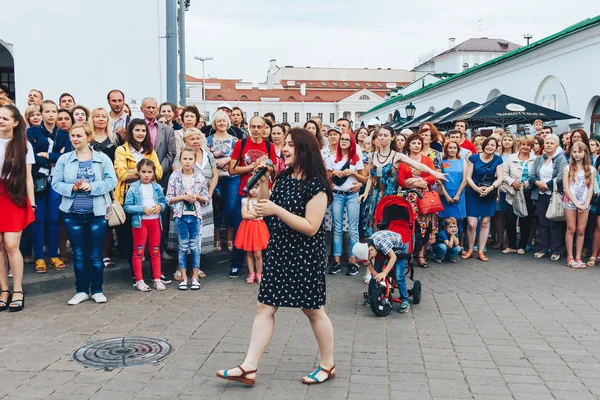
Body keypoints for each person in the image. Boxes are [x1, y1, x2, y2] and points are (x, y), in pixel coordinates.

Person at [216, 128, 336, 386]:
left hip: (305, 255)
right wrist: (260, 192)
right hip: (280, 251)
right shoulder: (284, 176)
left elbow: (311, 226)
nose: (284, 148)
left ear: (305, 149)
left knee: (313, 310)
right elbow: (268, 205)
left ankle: (328, 364)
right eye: (285, 144)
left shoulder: (318, 185)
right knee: (264, 307)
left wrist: (275, 209)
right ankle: (249, 367)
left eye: (291, 145)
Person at [52, 122, 117, 305]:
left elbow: (112, 180)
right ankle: (81, 290)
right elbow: (56, 183)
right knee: (79, 254)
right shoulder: (64, 159)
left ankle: (97, 290)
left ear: (88, 137)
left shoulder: (102, 158)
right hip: (72, 213)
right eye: (72, 135)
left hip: (97, 212)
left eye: (79, 136)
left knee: (96, 254)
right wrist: (71, 188)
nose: (75, 139)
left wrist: (93, 186)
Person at [228, 116, 278, 278]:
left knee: (266, 231)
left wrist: (267, 167)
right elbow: (233, 169)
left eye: (259, 127)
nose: (256, 130)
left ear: (264, 129)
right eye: (253, 126)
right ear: (249, 127)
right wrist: (253, 166)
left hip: (264, 194)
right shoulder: (240, 144)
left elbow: (275, 170)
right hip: (245, 193)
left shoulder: (269, 146)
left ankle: (265, 267)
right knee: (240, 229)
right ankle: (236, 265)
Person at [27, 100, 72, 273]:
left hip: (56, 181)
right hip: (39, 181)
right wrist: (55, 156)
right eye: (47, 111)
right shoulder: (32, 132)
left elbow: (67, 156)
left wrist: (46, 154)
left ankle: (53, 254)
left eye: (54, 111)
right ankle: (39, 257)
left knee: (54, 218)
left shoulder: (64, 134)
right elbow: (32, 157)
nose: (51, 115)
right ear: (41, 113)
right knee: (39, 219)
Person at [114, 119, 163, 276]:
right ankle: (136, 275)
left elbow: (159, 173)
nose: (140, 133)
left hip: (150, 200)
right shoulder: (121, 150)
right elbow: (121, 175)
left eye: (143, 130)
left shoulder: (150, 151)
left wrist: (134, 172)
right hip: (128, 198)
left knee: (152, 241)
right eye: (137, 130)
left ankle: (154, 273)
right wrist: (146, 172)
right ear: (131, 132)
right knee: (130, 240)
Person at [0, 105, 36, 312]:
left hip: (14, 195)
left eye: (5, 118)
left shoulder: (24, 145)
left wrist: (32, 202)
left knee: (11, 245)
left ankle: (18, 290)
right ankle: (4, 290)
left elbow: (28, 177)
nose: (1, 121)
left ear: (15, 122)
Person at [166, 147, 209, 291]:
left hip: (195, 216)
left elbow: (206, 199)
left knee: (195, 247)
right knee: (183, 247)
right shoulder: (175, 176)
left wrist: (197, 197)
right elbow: (168, 198)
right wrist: (183, 197)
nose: (187, 161)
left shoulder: (200, 176)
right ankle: (184, 277)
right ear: (180, 160)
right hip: (180, 216)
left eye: (190, 159)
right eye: (185, 159)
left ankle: (195, 277)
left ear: (195, 160)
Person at [172, 129, 218, 263]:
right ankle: (181, 267)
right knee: (185, 234)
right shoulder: (181, 155)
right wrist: (190, 195)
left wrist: (208, 195)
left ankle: (197, 265)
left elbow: (215, 175)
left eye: (198, 138)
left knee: (202, 231)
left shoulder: (208, 154)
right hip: (187, 201)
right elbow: (177, 175)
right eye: (192, 138)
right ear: (185, 141)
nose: (195, 141)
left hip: (205, 199)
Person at [123, 159, 168, 292]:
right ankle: (139, 280)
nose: (146, 175)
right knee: (138, 252)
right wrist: (142, 209)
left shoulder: (157, 187)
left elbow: (164, 203)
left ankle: (157, 278)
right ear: (138, 172)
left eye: (149, 172)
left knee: (155, 251)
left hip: (154, 222)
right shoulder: (134, 188)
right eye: (143, 172)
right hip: (140, 223)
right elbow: (127, 207)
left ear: (154, 173)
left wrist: (160, 206)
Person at [327, 131, 366, 276]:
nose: (343, 141)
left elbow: (364, 179)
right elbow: (327, 177)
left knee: (353, 228)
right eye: (342, 139)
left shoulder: (356, 159)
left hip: (352, 195)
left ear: (352, 143)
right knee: (337, 227)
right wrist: (333, 174)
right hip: (337, 194)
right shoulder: (332, 158)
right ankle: (336, 261)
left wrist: (353, 173)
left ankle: (353, 261)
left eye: (347, 140)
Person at [397, 133, 438, 268]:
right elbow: (401, 180)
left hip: (424, 197)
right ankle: (409, 254)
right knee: (410, 225)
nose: (416, 145)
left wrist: (421, 181)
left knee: (425, 226)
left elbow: (433, 176)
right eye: (414, 143)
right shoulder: (404, 161)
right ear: (408, 145)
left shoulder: (427, 160)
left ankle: (421, 255)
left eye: (419, 143)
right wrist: (415, 182)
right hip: (410, 197)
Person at [463, 137, 503, 262]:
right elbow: (468, 177)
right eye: (488, 144)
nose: (490, 147)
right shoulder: (473, 158)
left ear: (496, 148)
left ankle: (481, 251)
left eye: (493, 145)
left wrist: (491, 188)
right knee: (472, 224)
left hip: (488, 194)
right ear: (484, 145)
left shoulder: (498, 159)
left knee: (485, 223)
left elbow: (500, 178)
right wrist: (476, 189)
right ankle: (470, 249)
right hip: (473, 193)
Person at [352, 230, 411, 313]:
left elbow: (393, 257)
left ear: (371, 249)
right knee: (374, 277)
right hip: (382, 251)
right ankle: (372, 296)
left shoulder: (382, 243)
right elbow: (368, 264)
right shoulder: (367, 247)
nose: (371, 259)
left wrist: (384, 273)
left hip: (397, 253)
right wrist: (375, 274)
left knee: (399, 277)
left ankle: (405, 300)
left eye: (371, 257)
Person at [206, 110, 239, 252]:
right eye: (219, 121)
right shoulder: (208, 140)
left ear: (228, 123)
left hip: (231, 178)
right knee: (215, 209)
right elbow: (206, 157)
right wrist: (217, 162)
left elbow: (239, 158)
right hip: (215, 177)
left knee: (230, 208)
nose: (221, 123)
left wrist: (228, 159)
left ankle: (230, 239)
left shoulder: (234, 140)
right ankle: (217, 239)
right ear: (214, 123)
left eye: (224, 120)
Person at [530, 134, 567, 261]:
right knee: (543, 223)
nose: (549, 145)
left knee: (554, 222)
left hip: (553, 195)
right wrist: (538, 183)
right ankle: (543, 248)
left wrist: (547, 185)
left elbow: (562, 175)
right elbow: (532, 174)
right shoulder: (539, 159)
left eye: (552, 143)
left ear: (557, 145)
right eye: (547, 143)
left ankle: (556, 250)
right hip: (540, 195)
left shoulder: (561, 159)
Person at [503, 135, 537, 255]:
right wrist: (512, 182)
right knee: (510, 220)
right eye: (523, 144)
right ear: (519, 145)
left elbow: (535, 175)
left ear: (531, 147)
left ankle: (522, 245)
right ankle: (512, 245)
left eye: (528, 145)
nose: (525, 147)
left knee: (525, 221)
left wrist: (525, 184)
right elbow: (504, 173)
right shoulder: (511, 158)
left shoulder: (535, 159)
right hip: (512, 192)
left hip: (527, 193)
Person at [562, 142, 594, 268]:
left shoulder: (591, 169)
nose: (576, 154)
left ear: (585, 153)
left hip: (584, 203)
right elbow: (566, 188)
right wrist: (576, 203)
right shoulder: (567, 168)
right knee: (571, 229)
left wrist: (586, 203)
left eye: (579, 152)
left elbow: (590, 188)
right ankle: (570, 257)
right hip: (570, 202)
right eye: (574, 152)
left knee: (581, 230)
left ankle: (578, 256)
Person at [234, 182, 270, 284]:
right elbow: (244, 215)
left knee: (258, 254)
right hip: (248, 228)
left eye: (256, 187)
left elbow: (262, 213)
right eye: (251, 187)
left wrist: (251, 213)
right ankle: (251, 273)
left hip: (259, 228)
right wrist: (257, 214)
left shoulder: (262, 200)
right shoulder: (245, 200)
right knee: (249, 253)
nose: (254, 190)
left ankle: (259, 273)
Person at [140, 97, 176, 188]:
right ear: (141, 109)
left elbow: (171, 153)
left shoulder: (168, 130)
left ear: (157, 109)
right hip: (139, 177)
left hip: (161, 177)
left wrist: (157, 171)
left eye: (153, 108)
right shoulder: (136, 127)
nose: (151, 110)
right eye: (148, 107)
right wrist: (144, 172)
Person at [439, 140, 467, 248]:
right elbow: (439, 180)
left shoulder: (462, 161)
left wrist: (458, 194)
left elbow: (465, 180)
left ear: (458, 149)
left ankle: (460, 246)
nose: (452, 150)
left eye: (454, 148)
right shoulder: (442, 161)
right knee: (444, 220)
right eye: (450, 147)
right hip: (445, 193)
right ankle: (444, 244)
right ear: (446, 149)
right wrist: (445, 195)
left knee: (459, 220)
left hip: (459, 194)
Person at [494, 132, 518, 250]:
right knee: (499, 215)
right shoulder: (498, 156)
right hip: (500, 189)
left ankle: (509, 241)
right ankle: (499, 240)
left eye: (509, 139)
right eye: (505, 139)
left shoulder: (516, 155)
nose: (507, 142)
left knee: (510, 216)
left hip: (512, 189)